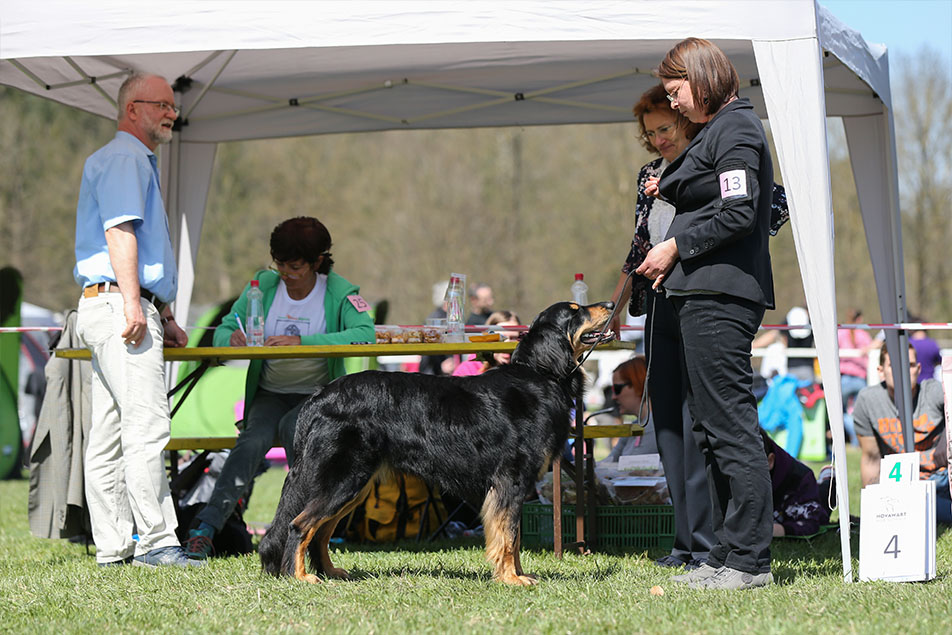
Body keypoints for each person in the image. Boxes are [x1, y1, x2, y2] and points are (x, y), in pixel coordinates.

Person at [636, 38, 777, 589]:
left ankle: (749, 561)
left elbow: (739, 211)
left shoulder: (737, 129)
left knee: (730, 425)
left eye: (676, 92)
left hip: (721, 295)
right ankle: (722, 553)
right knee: (709, 428)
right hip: (699, 295)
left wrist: (676, 245)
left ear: (702, 78)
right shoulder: (718, 130)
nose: (672, 104)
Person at [184, 216, 375, 559]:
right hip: (270, 393)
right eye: (279, 264)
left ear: (317, 261)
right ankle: (205, 529)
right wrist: (232, 339)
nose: (285, 272)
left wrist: (303, 342)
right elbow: (223, 330)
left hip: (317, 396)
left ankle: (301, 533)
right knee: (250, 443)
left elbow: (364, 334)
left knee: (292, 429)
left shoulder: (339, 291)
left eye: (295, 266)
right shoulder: (262, 287)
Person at [73, 73, 198, 568]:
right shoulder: (127, 158)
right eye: (161, 105)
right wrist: (133, 303)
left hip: (108, 303)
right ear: (132, 109)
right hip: (118, 305)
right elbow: (120, 233)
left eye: (173, 106)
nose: (172, 114)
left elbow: (140, 247)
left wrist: (162, 311)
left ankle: (113, 547)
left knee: (108, 433)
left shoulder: (124, 159)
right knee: (146, 425)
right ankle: (157, 542)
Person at [609, 85, 715, 572]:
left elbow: (769, 207)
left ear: (685, 120)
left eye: (665, 129)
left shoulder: (713, 161)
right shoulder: (649, 175)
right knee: (666, 422)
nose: (658, 140)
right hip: (659, 306)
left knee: (697, 425)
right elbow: (638, 248)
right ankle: (684, 542)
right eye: (650, 134)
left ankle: (709, 542)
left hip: (703, 302)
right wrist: (614, 309)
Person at [852, 344, 951, 524]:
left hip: (942, 479)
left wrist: (946, 438)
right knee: (914, 508)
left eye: (910, 365)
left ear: (918, 369)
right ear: (881, 371)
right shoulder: (868, 401)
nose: (903, 371)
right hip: (900, 486)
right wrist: (872, 510)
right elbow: (871, 459)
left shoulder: (933, 391)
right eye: (894, 366)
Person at [759, 430, 830, 537]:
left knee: (821, 506)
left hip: (800, 490)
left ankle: (829, 479)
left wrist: (775, 530)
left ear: (770, 461)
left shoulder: (798, 480)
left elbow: (809, 522)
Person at [601, 356, 659, 461]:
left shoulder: (654, 425)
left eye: (617, 389)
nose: (614, 397)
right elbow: (609, 462)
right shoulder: (636, 424)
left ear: (638, 384)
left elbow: (632, 465)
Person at [837, 308, 874, 443]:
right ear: (860, 319)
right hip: (860, 379)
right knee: (859, 414)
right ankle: (856, 440)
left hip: (844, 379)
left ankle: (851, 437)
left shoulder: (840, 333)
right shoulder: (864, 336)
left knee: (840, 412)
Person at [452, 310, 521, 376]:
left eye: (513, 338)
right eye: (501, 337)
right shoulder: (467, 370)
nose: (507, 343)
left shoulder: (523, 371)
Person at [908, 315, 942, 383]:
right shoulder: (932, 344)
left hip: (911, 383)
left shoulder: (907, 344)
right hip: (929, 383)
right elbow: (939, 362)